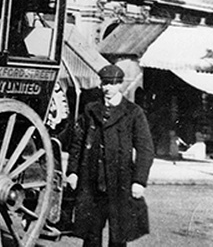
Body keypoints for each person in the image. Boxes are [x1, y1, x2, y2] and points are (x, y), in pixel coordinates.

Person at [66, 64, 154, 247]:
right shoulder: (91, 110)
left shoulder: (133, 112)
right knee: (90, 236)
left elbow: (146, 149)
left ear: (120, 85)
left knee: (119, 236)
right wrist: (73, 171)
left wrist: (139, 180)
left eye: (113, 84)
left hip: (120, 183)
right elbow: (77, 144)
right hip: (92, 182)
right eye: (105, 83)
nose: (108, 88)